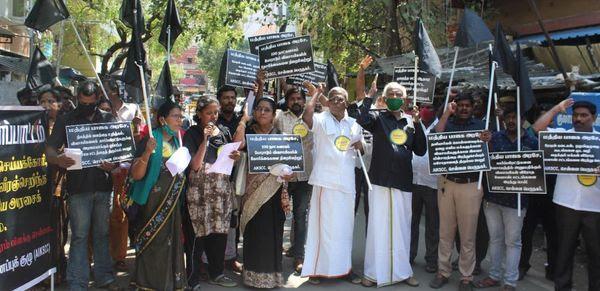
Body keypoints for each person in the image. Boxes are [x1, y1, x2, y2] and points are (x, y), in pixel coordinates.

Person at [46, 81, 117, 290]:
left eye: (91, 103)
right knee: (79, 235)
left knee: (102, 234)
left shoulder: (108, 119)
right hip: (78, 189)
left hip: (103, 187)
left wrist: (112, 163)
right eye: (83, 103)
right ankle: (77, 282)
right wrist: (58, 160)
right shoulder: (66, 120)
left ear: (97, 100)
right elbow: (50, 149)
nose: (87, 106)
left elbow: (118, 151)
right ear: (77, 99)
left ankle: (105, 276)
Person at [355, 81, 426, 287]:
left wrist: (419, 122)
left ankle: (403, 272)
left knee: (402, 228)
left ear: (404, 99)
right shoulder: (378, 118)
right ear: (385, 99)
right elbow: (360, 118)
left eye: (399, 94)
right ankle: (372, 273)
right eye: (391, 94)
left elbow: (420, 150)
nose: (395, 97)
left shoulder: (410, 122)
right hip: (379, 180)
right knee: (378, 227)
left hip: (403, 181)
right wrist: (370, 97)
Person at [532, 98, 600, 291]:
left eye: (584, 115)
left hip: (594, 206)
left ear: (593, 118)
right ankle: (562, 287)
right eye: (576, 115)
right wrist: (556, 109)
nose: (579, 119)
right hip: (566, 204)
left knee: (595, 254)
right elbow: (537, 128)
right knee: (564, 250)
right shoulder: (561, 135)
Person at [300, 84, 364, 284]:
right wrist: (316, 94)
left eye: (341, 98)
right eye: (333, 98)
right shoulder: (320, 119)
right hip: (324, 182)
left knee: (345, 228)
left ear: (347, 102)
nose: (337, 101)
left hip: (346, 183)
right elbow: (306, 118)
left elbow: (361, 149)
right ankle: (316, 270)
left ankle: (345, 269)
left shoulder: (354, 123)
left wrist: (362, 146)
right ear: (328, 101)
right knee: (322, 229)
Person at [429, 92, 489, 291]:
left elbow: (491, 149)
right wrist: (447, 113)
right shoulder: (448, 123)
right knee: (445, 232)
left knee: (468, 234)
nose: (463, 108)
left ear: (473, 107)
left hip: (471, 185)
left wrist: (488, 140)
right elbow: (436, 137)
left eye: (467, 105)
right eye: (460, 105)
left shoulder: (481, 127)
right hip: (447, 183)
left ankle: (466, 276)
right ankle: (443, 272)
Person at [474, 108, 537, 291]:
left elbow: (536, 173)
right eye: (508, 117)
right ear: (503, 119)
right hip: (493, 200)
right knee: (495, 239)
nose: (511, 120)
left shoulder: (532, 142)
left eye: (515, 117)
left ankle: (510, 282)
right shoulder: (494, 138)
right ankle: (494, 276)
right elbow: (481, 158)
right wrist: (482, 142)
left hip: (517, 203)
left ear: (522, 120)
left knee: (513, 242)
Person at [128, 100, 187, 290]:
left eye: (181, 116)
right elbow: (136, 174)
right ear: (162, 119)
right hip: (151, 204)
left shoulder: (179, 142)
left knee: (171, 243)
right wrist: (146, 153)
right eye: (175, 116)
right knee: (153, 244)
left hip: (172, 204)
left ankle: (170, 283)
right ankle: (148, 284)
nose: (180, 120)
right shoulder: (150, 140)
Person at [233, 97, 291, 288]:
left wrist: (288, 174)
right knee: (254, 230)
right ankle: (251, 276)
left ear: (274, 115)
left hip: (273, 191)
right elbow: (236, 145)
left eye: (267, 110)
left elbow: (291, 163)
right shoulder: (249, 132)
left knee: (272, 231)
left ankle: (272, 276)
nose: (262, 113)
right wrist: (243, 120)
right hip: (252, 191)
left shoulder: (280, 135)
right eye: (259, 109)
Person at [183, 96, 239, 288]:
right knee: (197, 235)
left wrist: (235, 156)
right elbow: (195, 165)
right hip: (199, 193)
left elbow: (228, 157)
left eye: (215, 112)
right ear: (199, 114)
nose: (213, 116)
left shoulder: (224, 131)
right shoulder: (192, 133)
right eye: (209, 113)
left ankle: (217, 273)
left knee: (219, 234)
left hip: (220, 191)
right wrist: (205, 139)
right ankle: (192, 278)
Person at [102, 78, 144, 272]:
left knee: (121, 213)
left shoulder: (133, 109)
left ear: (116, 92)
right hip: (102, 167)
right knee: (105, 214)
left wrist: (136, 127)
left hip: (126, 168)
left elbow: (143, 137)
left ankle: (120, 256)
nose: (105, 95)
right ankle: (101, 255)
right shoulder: (99, 111)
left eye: (107, 91)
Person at [274, 87, 314, 274]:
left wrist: (316, 93)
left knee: (300, 216)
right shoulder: (279, 117)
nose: (296, 101)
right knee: (278, 215)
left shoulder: (312, 118)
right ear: (287, 101)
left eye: (299, 98)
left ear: (304, 101)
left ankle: (299, 255)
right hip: (283, 177)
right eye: (292, 99)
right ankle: (274, 254)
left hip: (305, 176)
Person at [410, 102, 440, 274]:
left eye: (430, 106)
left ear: (436, 109)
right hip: (412, 181)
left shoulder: (441, 126)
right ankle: (409, 255)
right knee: (411, 222)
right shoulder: (413, 123)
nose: (426, 110)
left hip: (433, 183)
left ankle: (432, 259)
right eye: (424, 107)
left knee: (433, 224)